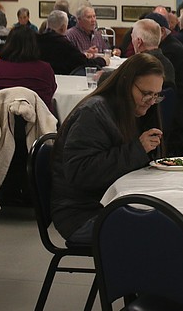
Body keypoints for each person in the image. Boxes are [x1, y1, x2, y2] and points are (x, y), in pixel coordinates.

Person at [49, 53, 164, 244]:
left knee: (174, 224)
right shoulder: (94, 113)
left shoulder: (135, 111)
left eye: (156, 95)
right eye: (146, 94)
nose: (151, 101)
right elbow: (80, 173)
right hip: (80, 214)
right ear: (126, 83)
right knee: (164, 233)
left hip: (113, 203)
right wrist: (137, 149)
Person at [0, 25, 57, 108]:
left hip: (0, 119)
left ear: (8, 43)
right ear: (34, 45)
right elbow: (51, 91)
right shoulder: (44, 69)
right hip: (38, 119)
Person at [39, 9, 105, 76]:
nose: (93, 20)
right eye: (89, 17)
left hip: (41, 78)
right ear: (64, 27)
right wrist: (103, 60)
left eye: (94, 16)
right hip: (64, 80)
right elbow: (84, 62)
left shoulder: (37, 41)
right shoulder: (65, 44)